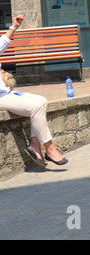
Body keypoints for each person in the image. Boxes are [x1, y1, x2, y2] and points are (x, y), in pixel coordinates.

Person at [0, 15, 68, 167]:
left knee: (42, 101)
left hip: (4, 93)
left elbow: (2, 42)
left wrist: (14, 27)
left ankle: (35, 145)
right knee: (35, 107)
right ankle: (49, 148)